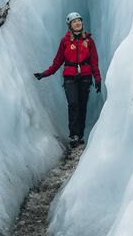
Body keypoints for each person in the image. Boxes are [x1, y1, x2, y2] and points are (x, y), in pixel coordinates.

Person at [34, 12, 102, 146]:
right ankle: (74, 135)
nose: (77, 23)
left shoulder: (89, 41)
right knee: (73, 104)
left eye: (79, 21)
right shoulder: (65, 41)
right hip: (70, 77)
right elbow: (58, 61)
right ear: (69, 25)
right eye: (74, 21)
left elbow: (94, 62)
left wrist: (97, 79)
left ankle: (80, 135)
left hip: (85, 77)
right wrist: (45, 73)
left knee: (82, 107)